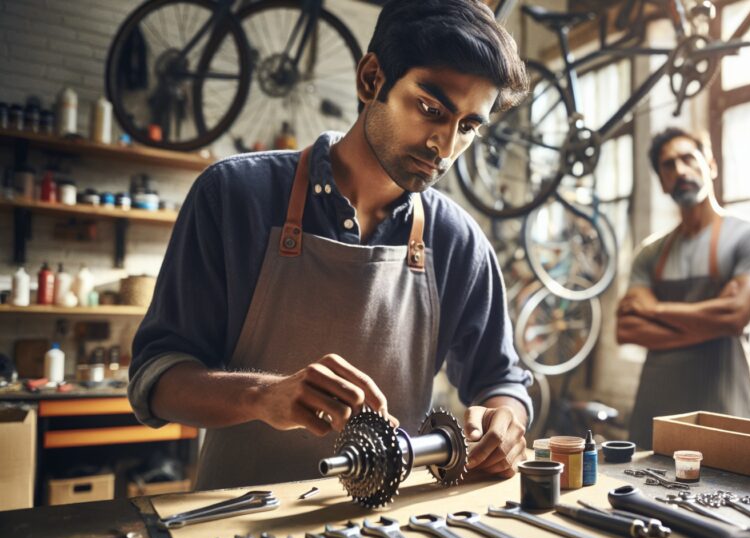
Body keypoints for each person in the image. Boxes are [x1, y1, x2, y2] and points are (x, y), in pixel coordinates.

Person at [128, 0, 533, 490]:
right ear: (370, 79)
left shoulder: (458, 241)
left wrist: (504, 423)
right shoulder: (234, 196)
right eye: (431, 110)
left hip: (388, 526)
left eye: (467, 126)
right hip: (237, 522)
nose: (445, 147)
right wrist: (262, 394)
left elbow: (501, 381)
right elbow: (158, 378)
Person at [617, 127, 750, 449]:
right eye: (668, 165)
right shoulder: (650, 253)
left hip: (724, 406)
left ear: (711, 166)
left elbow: (734, 315)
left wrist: (656, 310)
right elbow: (627, 328)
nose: (680, 171)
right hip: (656, 411)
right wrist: (711, 321)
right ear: (661, 181)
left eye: (688, 158)